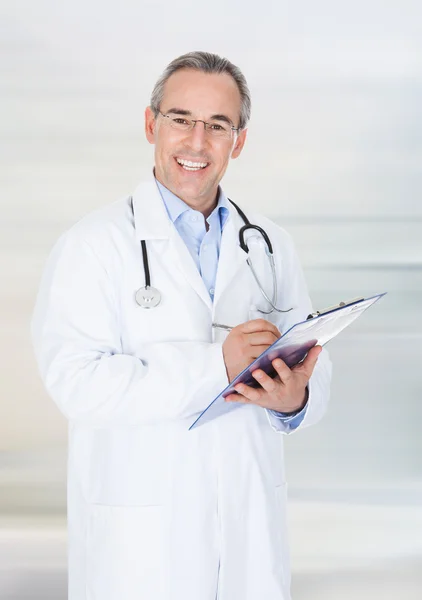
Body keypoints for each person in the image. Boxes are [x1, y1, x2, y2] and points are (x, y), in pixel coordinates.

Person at [31, 51, 332, 600]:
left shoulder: (269, 244)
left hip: (248, 532)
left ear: (238, 140)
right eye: (181, 119)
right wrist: (217, 363)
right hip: (141, 543)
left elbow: (314, 363)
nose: (197, 142)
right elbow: (75, 383)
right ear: (151, 125)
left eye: (218, 125)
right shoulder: (94, 244)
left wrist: (296, 399)